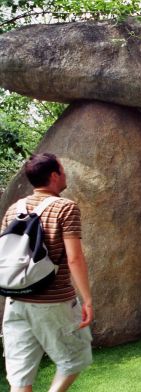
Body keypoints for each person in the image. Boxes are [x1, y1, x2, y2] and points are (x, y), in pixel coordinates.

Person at [1, 153, 93, 392]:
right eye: (62, 170)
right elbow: (74, 258)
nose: (65, 174)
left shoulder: (14, 209)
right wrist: (88, 299)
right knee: (75, 359)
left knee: (20, 377)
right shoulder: (65, 208)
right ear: (54, 175)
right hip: (54, 302)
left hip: (15, 301)